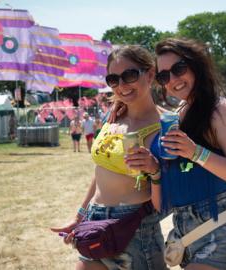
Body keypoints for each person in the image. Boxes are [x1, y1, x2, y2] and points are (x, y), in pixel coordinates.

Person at [145, 37, 226, 269]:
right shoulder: (179, 114)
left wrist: (196, 152)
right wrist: (153, 171)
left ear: (195, 64)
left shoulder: (221, 109)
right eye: (164, 76)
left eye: (179, 69)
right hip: (187, 234)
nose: (173, 80)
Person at [51, 45, 167, 270]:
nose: (122, 86)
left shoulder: (165, 124)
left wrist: (154, 170)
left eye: (130, 75)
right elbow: (101, 172)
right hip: (96, 219)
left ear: (150, 74)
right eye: (114, 79)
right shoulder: (112, 117)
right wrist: (81, 215)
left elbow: (166, 196)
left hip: (134, 226)